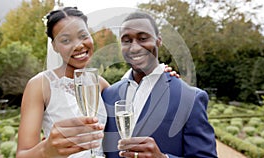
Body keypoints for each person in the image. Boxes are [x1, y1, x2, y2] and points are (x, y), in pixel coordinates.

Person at [16, 7, 178, 158]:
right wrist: (47, 149)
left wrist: (160, 76)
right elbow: (22, 154)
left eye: (83, 36)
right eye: (66, 40)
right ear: (55, 46)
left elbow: (134, 95)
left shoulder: (100, 84)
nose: (78, 45)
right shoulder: (39, 85)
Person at [102, 11, 218, 158]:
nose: (135, 47)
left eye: (143, 38)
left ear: (159, 41)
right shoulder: (108, 95)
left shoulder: (190, 98)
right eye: (126, 41)